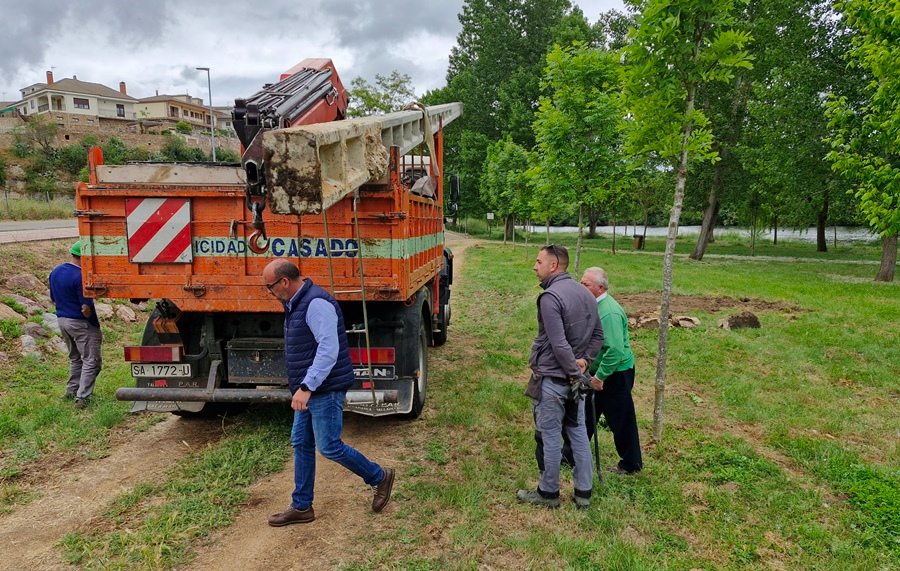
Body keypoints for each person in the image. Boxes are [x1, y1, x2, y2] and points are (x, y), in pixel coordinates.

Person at [263, 259, 395, 526]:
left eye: (270, 287)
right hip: (310, 388)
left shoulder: (316, 304)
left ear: (284, 282)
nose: (270, 292)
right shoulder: (296, 303)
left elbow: (328, 351)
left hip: (323, 387)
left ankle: (379, 476)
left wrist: (306, 387)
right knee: (301, 443)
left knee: (329, 446)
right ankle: (302, 507)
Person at [518, 244, 604, 509]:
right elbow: (598, 337)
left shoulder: (550, 297)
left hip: (555, 381)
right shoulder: (586, 292)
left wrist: (573, 372)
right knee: (578, 432)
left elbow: (558, 344)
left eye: (538, 261)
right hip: (574, 380)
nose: (535, 266)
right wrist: (583, 365)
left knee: (551, 436)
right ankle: (583, 492)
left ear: (553, 266)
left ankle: (548, 493)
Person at [566, 267, 643, 474]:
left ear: (600, 288)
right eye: (581, 283)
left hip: (615, 374)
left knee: (620, 418)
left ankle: (631, 464)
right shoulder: (592, 305)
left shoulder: (608, 312)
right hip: (596, 370)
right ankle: (570, 454)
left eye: (586, 284)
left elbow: (615, 350)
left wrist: (600, 377)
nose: (581, 287)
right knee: (585, 413)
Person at [49, 240, 102, 410]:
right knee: (91, 360)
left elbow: (53, 299)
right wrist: (93, 323)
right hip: (80, 323)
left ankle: (71, 391)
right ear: (86, 257)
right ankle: (83, 398)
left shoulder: (55, 271)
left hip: (62, 320)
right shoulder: (81, 276)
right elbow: (86, 307)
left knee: (75, 358)